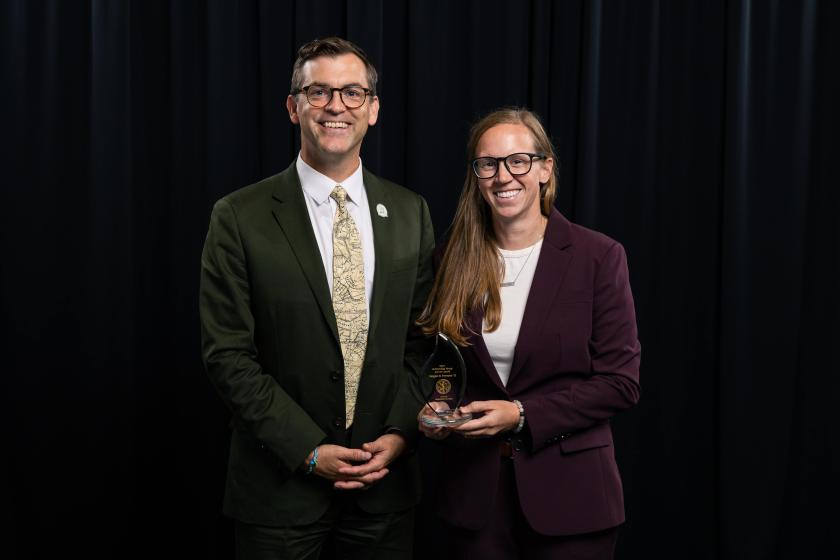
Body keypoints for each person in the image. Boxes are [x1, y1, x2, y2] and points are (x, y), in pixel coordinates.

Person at [200, 37, 434, 559]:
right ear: (293, 106)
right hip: (278, 493)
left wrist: (400, 437)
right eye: (319, 91)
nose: (336, 106)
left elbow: (423, 343)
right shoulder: (239, 217)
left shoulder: (411, 212)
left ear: (373, 109)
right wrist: (306, 451)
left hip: (384, 490)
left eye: (352, 92)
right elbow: (228, 355)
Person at [416, 107, 641, 559]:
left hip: (573, 500)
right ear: (476, 175)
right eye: (489, 164)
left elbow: (621, 384)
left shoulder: (598, 257)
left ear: (544, 168)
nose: (504, 176)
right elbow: (441, 361)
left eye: (518, 160)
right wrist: (437, 406)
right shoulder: (451, 259)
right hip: (474, 498)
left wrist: (520, 414)